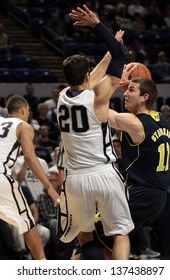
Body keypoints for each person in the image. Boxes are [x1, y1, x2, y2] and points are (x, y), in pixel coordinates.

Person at [57, 4, 134, 260]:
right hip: (103, 173)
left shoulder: (62, 97)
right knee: (121, 232)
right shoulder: (97, 98)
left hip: (75, 180)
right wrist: (99, 26)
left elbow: (93, 75)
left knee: (85, 235)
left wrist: (107, 56)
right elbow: (121, 55)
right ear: (88, 75)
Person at [0, 94, 60, 260]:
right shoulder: (23, 125)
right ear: (23, 110)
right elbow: (29, 156)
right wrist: (49, 187)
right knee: (27, 223)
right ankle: (42, 267)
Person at [106, 74, 170, 258]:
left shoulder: (136, 124)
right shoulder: (160, 117)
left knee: (107, 230)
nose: (125, 93)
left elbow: (101, 110)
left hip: (144, 192)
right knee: (107, 232)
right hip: (156, 193)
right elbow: (148, 89)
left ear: (144, 97)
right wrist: (131, 88)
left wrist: (111, 84)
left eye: (131, 90)